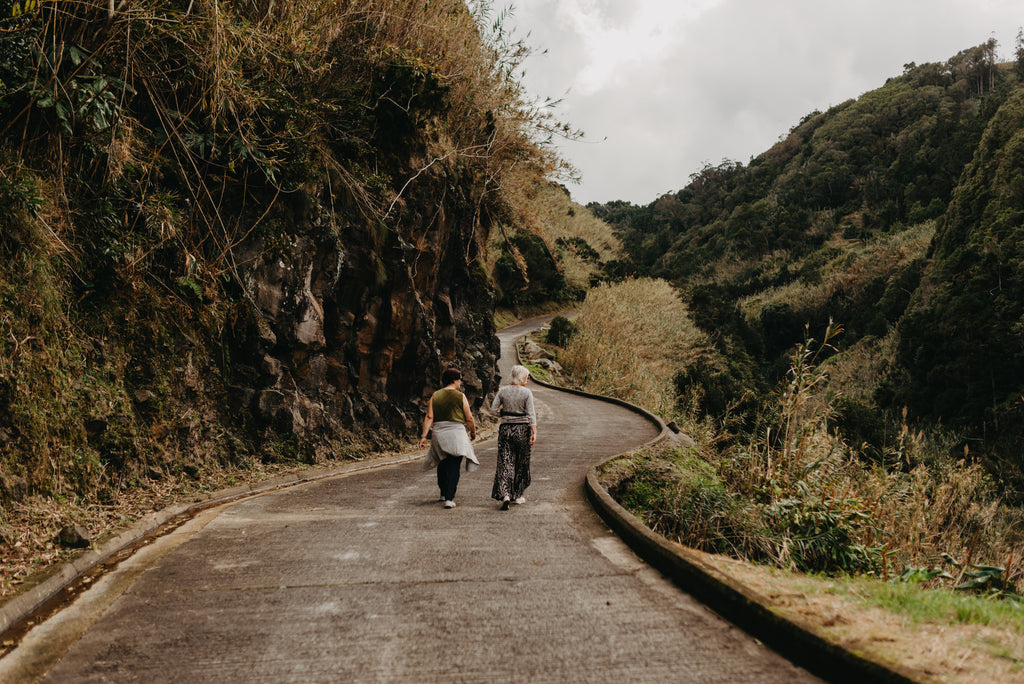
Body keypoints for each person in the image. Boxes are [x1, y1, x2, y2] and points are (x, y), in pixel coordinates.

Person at [420, 367, 478, 508]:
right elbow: (469, 418)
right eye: (460, 379)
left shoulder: (435, 395)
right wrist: (473, 432)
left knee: (443, 462)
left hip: (439, 433)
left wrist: (424, 436)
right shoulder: (460, 396)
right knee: (454, 466)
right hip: (456, 433)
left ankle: (443, 493)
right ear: (454, 380)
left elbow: (429, 417)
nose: (461, 382)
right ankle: (449, 498)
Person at [490, 364, 537, 510]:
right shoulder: (527, 393)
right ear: (522, 378)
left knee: (505, 461)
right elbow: (531, 414)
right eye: (527, 377)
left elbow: (493, 410)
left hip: (506, 429)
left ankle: (505, 494)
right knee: (521, 462)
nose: (527, 380)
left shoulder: (503, 391)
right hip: (522, 430)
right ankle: (517, 495)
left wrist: (504, 415)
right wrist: (534, 432)